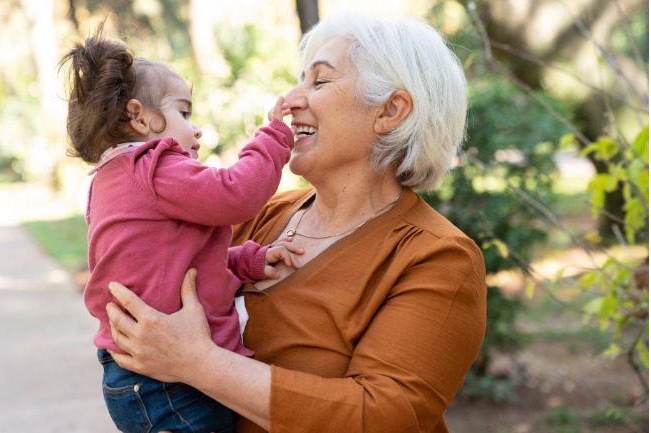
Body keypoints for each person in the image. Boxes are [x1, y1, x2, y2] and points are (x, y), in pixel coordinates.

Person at [104, 12, 488, 433]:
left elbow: (383, 416)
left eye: (319, 82)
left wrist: (199, 363)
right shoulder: (260, 217)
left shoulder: (436, 257)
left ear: (390, 111)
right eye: (299, 79)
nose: (290, 98)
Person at [60, 27, 304, 433]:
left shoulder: (111, 179)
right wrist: (273, 137)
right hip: (167, 384)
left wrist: (246, 260)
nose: (196, 129)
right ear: (139, 116)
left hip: (139, 375)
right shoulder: (154, 165)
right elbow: (237, 193)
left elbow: (170, 264)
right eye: (184, 113)